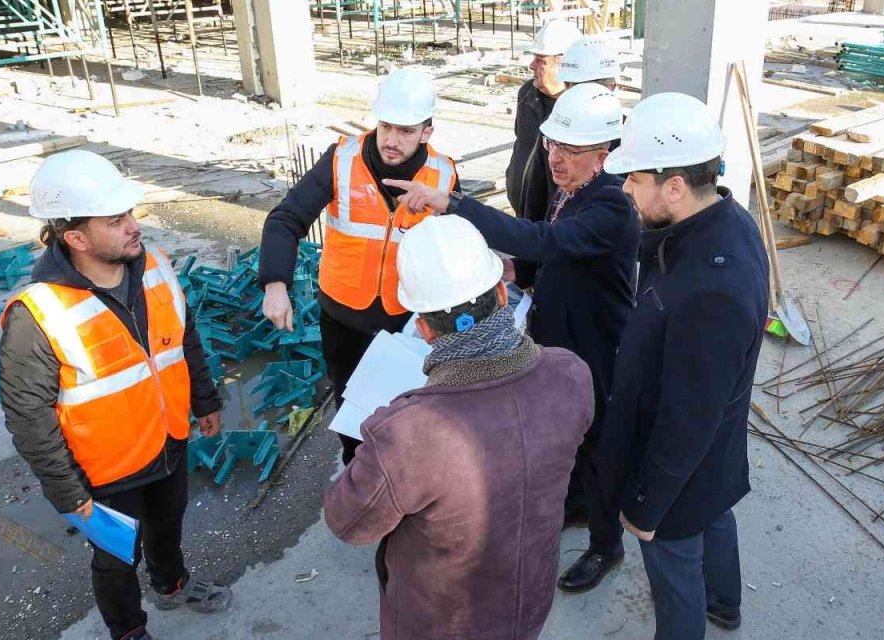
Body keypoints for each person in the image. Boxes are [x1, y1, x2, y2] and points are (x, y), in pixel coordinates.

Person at [385, 83, 638, 595]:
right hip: (558, 332)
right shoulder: (575, 192)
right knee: (570, 437)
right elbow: (548, 253)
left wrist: (452, 205)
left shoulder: (611, 205)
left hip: (595, 346)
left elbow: (547, 240)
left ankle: (607, 544)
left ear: (604, 154)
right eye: (552, 146)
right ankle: (577, 506)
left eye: (570, 151)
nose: (555, 160)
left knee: (597, 442)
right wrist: (510, 269)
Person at [323, 215, 594, 640]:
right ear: (503, 294)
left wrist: (372, 446)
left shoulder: (406, 434)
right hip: (530, 597)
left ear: (424, 328)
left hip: (442, 623)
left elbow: (349, 523)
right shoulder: (571, 376)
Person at [0, 150, 232, 640]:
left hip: (168, 438)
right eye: (115, 219)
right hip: (106, 470)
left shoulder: (156, 266)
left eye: (129, 213)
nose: (133, 226)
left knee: (168, 524)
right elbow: (28, 418)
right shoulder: (37, 314)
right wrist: (69, 496)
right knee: (116, 558)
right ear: (76, 237)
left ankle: (171, 584)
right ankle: (128, 631)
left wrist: (205, 400)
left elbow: (183, 338)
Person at [598, 92, 769, 640]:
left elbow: (686, 420)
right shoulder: (723, 218)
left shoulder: (711, 288)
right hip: (712, 462)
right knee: (716, 514)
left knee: (673, 568)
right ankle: (725, 604)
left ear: (673, 186)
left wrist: (645, 507)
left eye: (634, 179)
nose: (624, 189)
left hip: (679, 467)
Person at [258, 68, 459, 465]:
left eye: (405, 130)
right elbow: (285, 220)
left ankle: (401, 480)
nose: (391, 139)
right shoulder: (341, 160)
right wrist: (275, 284)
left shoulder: (444, 175)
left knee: (405, 411)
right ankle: (358, 477)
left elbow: (452, 244)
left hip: (407, 320)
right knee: (352, 408)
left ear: (426, 132)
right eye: (385, 126)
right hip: (344, 316)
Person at [506, 20, 582, 283]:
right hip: (524, 216)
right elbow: (521, 143)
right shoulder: (528, 94)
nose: (532, 66)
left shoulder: (578, 113)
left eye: (541, 60)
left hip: (552, 229)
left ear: (563, 64)